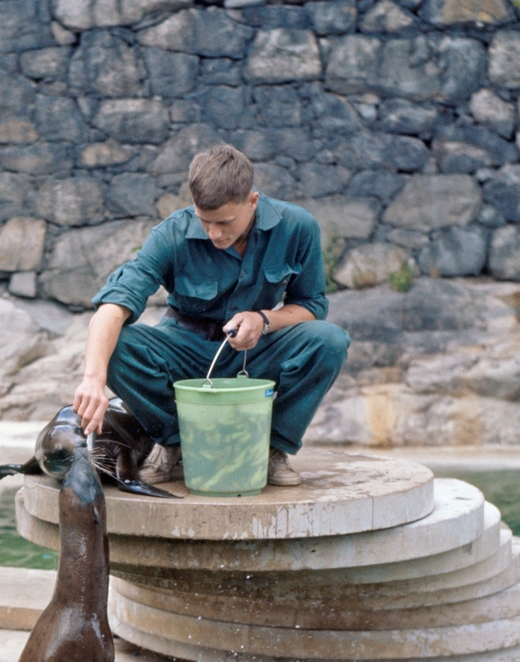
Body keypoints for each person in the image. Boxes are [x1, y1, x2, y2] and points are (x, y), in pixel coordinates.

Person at [72, 143, 350, 487]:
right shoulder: (170, 234)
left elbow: (312, 305)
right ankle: (173, 441)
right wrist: (93, 378)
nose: (214, 233)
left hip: (256, 351)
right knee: (116, 345)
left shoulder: (298, 227)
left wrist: (264, 320)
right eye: (205, 221)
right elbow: (113, 305)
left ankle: (271, 450)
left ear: (253, 200)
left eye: (224, 222)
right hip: (183, 351)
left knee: (330, 341)